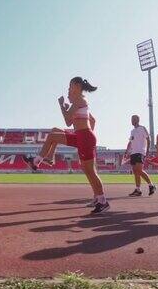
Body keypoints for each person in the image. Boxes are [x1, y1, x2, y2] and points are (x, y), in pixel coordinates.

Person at [23, 77, 109, 214]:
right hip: (82, 136)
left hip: (84, 137)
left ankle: (102, 201)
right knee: (54, 132)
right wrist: (87, 133)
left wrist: (62, 106)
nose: (68, 89)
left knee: (90, 171)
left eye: (70, 86)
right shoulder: (81, 101)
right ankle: (45, 159)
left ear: (76, 86)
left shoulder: (79, 99)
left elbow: (68, 121)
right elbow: (92, 120)